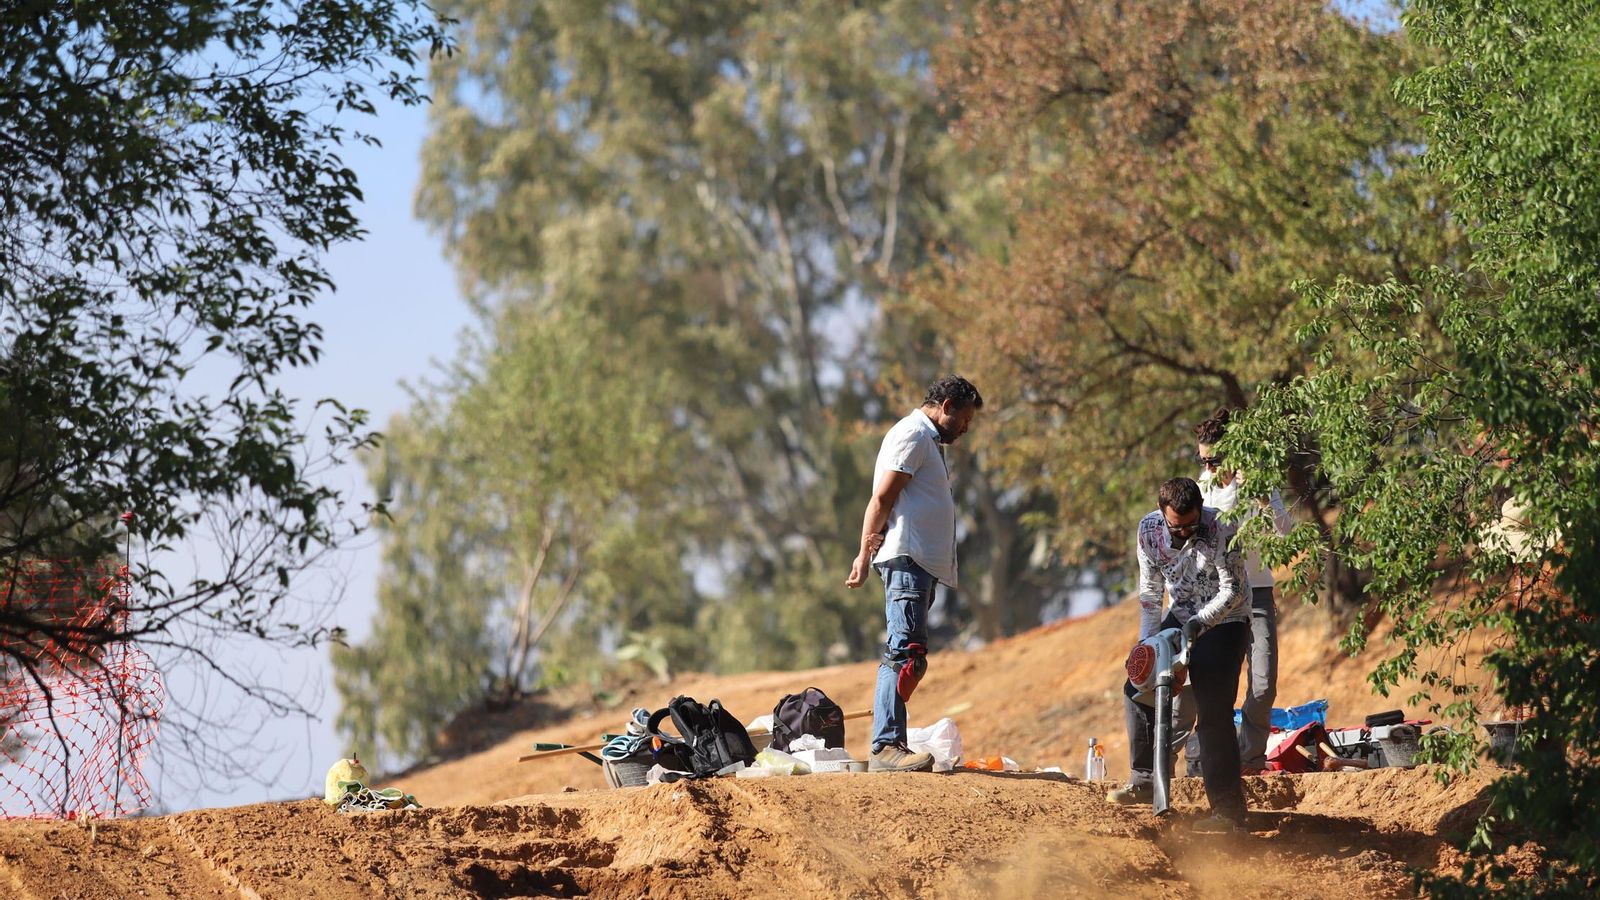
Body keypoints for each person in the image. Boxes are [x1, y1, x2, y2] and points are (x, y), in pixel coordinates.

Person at [846, 375, 983, 773]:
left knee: (914, 659)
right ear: (946, 407)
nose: (965, 428)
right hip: (906, 560)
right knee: (903, 654)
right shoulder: (914, 435)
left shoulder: (927, 441)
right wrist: (863, 554)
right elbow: (881, 499)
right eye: (964, 419)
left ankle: (890, 739)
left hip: (920, 565)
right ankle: (886, 746)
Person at [1107, 477, 1251, 833]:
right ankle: (1144, 780)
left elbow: (1231, 591)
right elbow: (1151, 592)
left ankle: (1228, 812)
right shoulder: (1149, 532)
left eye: (1191, 524)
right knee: (1136, 687)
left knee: (1213, 708)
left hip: (1226, 617)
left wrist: (1199, 628)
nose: (1186, 532)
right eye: (1177, 526)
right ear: (1161, 513)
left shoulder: (1221, 527)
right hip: (1183, 613)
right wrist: (1148, 643)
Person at [1193, 407, 1293, 775]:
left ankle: (1250, 758)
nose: (1208, 467)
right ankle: (1202, 760)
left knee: (1264, 686)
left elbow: (1287, 531)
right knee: (1212, 686)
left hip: (1259, 592)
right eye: (1202, 460)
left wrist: (1261, 495)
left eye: (1214, 459)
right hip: (1217, 598)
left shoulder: (1260, 483)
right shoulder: (1201, 489)